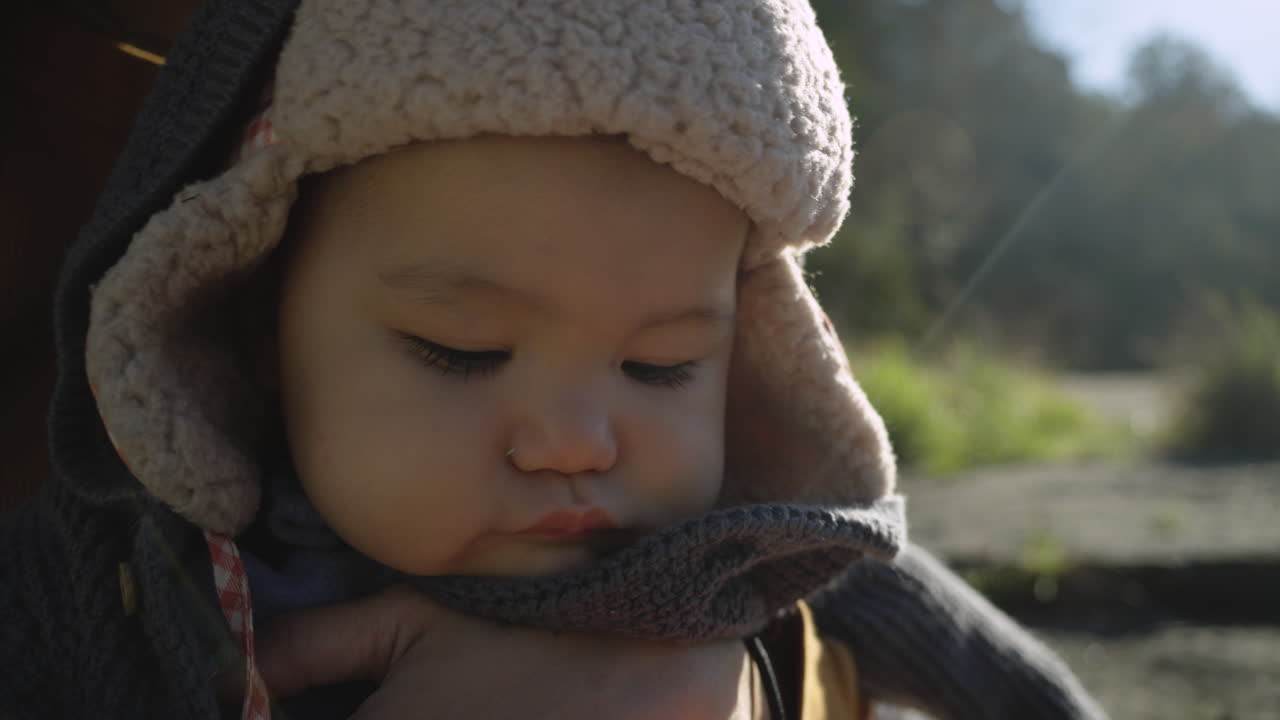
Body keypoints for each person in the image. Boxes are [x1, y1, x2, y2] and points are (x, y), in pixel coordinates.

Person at [0, 0, 1107, 718]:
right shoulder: (107, 576)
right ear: (249, 324)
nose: (577, 441)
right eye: (461, 353)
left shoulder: (746, 553)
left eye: (662, 365)